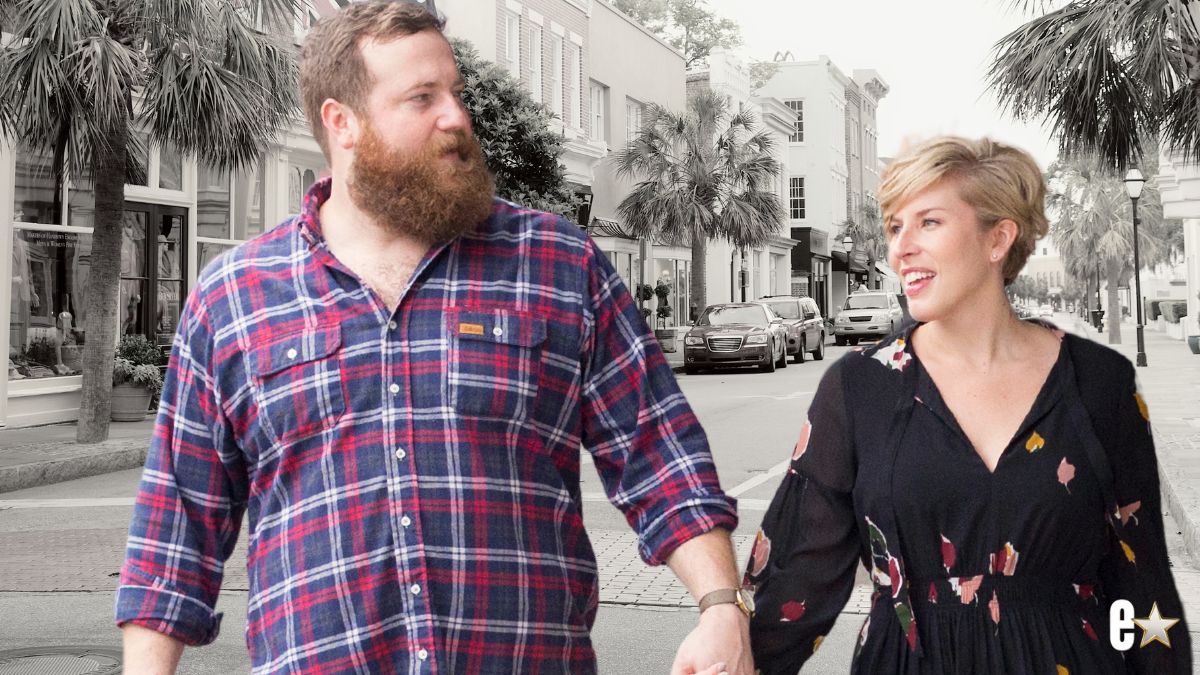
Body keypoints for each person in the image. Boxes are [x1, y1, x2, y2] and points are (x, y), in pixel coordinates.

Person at [115, 3, 752, 674]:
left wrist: (721, 606)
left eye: (456, 92)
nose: (456, 117)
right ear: (342, 122)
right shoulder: (235, 297)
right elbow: (174, 533)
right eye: (422, 98)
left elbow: (660, 453)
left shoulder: (557, 264)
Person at [744, 136, 1190, 674]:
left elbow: (1142, 585)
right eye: (895, 228)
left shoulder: (1099, 382)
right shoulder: (860, 386)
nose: (901, 249)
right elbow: (797, 576)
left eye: (928, 222)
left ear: (998, 238)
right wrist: (732, 646)